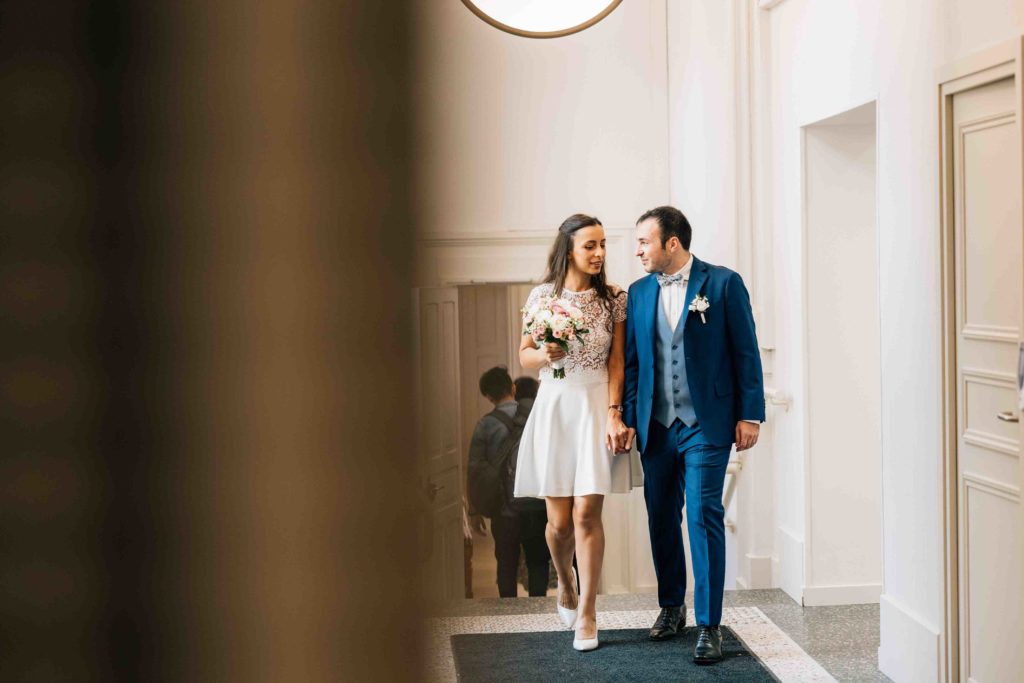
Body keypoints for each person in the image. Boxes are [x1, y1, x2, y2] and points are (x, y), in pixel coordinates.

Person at [621, 206, 765, 665]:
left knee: (703, 515)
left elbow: (746, 353)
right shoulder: (640, 293)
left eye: (644, 241)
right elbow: (634, 365)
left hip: (707, 423)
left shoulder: (722, 284)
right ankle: (670, 607)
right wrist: (627, 418)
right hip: (656, 427)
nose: (637, 250)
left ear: (672, 243)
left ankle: (709, 624)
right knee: (660, 515)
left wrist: (751, 415)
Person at [514, 213, 633, 652]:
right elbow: (524, 356)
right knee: (558, 523)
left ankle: (588, 611)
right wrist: (546, 354)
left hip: (595, 404)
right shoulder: (541, 296)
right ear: (569, 249)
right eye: (590, 245)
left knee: (587, 514)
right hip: (556, 406)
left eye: (603, 245)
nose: (600, 253)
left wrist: (613, 411)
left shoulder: (614, 299)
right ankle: (564, 582)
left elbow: (617, 361)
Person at [467, 367, 550, 598]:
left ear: (488, 396)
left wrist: (475, 511)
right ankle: (538, 608)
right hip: (536, 504)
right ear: (512, 388)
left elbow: (475, 469)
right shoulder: (536, 417)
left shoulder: (485, 425)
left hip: (504, 510)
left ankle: (507, 614)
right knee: (537, 560)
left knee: (506, 564)